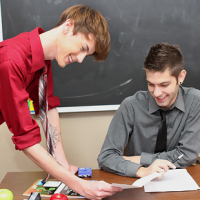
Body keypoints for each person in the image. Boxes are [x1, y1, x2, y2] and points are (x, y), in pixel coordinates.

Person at [0, 4, 122, 199]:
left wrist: (62, 163)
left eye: (87, 55)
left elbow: (47, 108)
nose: (81, 59)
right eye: (83, 48)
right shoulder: (12, 61)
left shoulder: (42, 60)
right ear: (68, 26)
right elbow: (26, 139)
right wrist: (79, 185)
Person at [98, 43, 200, 178]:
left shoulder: (195, 102)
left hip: (179, 180)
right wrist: (143, 170)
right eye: (151, 84)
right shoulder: (130, 106)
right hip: (137, 180)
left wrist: (140, 159)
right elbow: (106, 157)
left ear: (180, 77)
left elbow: (186, 155)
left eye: (164, 85)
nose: (157, 93)